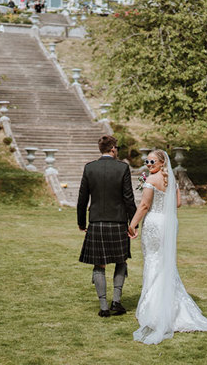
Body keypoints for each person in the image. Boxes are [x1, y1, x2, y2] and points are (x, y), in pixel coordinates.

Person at [128, 149, 207, 344]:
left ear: (161, 163)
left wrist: (133, 224)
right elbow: (177, 203)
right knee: (164, 261)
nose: (149, 164)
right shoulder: (171, 180)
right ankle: (172, 307)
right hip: (167, 224)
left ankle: (153, 309)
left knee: (153, 261)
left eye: (152, 161)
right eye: (147, 161)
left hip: (153, 223)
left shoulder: (151, 181)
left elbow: (144, 205)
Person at [78, 135, 137, 317]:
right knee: (121, 260)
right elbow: (128, 198)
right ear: (112, 149)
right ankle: (116, 302)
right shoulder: (122, 168)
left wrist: (82, 223)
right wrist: (133, 223)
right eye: (116, 148)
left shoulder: (90, 168)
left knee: (99, 264)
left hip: (96, 223)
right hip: (118, 223)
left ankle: (103, 307)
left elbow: (82, 199)